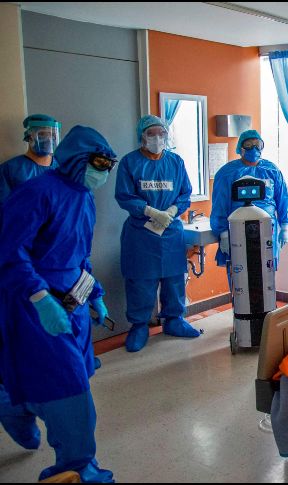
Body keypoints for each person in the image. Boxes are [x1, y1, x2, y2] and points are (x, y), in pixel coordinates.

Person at [0, 125, 117, 482]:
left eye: (108, 165)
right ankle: (77, 467)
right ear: (77, 158)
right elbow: (10, 251)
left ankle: (12, 403)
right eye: (99, 162)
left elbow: (79, 255)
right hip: (36, 304)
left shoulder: (83, 197)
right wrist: (39, 297)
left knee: (75, 374)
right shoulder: (36, 193)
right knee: (70, 390)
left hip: (74, 302)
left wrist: (93, 293)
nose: (103, 172)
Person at [115, 115, 197, 353]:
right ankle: (139, 325)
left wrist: (172, 210)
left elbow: (185, 194)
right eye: (151, 133)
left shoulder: (176, 162)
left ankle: (174, 320)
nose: (157, 138)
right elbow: (124, 196)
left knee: (174, 279)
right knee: (141, 280)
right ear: (141, 136)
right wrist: (149, 210)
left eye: (161, 133)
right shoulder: (130, 163)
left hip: (171, 231)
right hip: (141, 232)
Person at [211, 130, 288, 274]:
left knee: (266, 272)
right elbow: (219, 205)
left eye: (258, 144)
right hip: (237, 229)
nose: (254, 148)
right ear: (240, 148)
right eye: (249, 144)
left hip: (267, 229)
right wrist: (223, 233)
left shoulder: (271, 170)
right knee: (241, 275)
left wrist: (285, 226)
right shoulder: (227, 173)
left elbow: (283, 198)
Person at [0, 114, 61, 203]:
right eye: (42, 134)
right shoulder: (9, 169)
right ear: (29, 136)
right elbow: (4, 208)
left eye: (52, 134)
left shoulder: (62, 167)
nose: (49, 139)